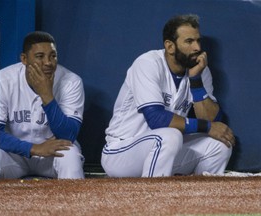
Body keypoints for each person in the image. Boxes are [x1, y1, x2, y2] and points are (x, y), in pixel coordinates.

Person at [101, 14, 235, 177]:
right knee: (169, 136)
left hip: (164, 149)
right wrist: (206, 127)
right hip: (122, 151)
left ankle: (199, 198)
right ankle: (153, 198)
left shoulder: (199, 69)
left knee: (220, 143)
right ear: (170, 46)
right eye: (189, 41)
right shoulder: (147, 63)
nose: (197, 48)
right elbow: (156, 119)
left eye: (198, 40)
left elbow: (212, 121)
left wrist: (195, 81)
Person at [0, 31, 85, 179]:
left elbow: (68, 135)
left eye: (53, 55)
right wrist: (34, 148)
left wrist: (47, 95)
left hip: (53, 154)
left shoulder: (71, 82)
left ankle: (76, 202)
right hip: (14, 155)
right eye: (40, 56)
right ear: (24, 59)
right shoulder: (4, 80)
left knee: (70, 157)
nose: (48, 62)